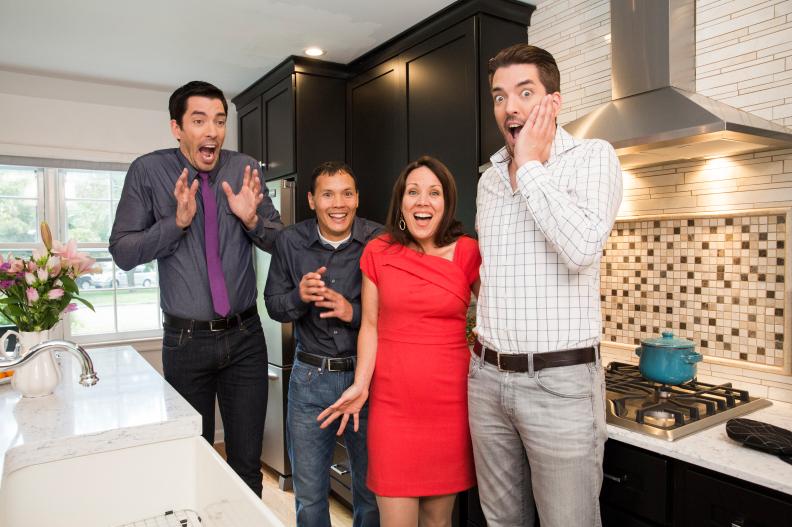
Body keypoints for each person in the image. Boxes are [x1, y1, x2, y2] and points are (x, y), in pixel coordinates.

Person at [470, 43, 623, 526]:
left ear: (553, 101)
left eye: (524, 92)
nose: (509, 107)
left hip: (559, 384)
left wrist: (532, 165)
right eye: (499, 96)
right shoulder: (488, 180)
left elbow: (580, 250)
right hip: (487, 381)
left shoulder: (593, 158)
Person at [109, 80, 283, 496]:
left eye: (220, 121)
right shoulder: (148, 171)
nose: (212, 132)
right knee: (193, 461)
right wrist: (176, 224)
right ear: (176, 127)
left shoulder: (246, 169)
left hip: (245, 338)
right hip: (185, 343)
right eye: (199, 120)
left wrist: (252, 219)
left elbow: (280, 242)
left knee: (247, 466)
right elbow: (122, 250)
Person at [319, 156, 481, 527]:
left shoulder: (469, 252)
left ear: (447, 202)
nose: (423, 201)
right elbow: (370, 325)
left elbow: (499, 318)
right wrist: (361, 384)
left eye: (434, 192)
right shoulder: (379, 251)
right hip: (393, 408)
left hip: (451, 407)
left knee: (438, 523)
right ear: (402, 203)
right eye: (413, 192)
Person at [264, 161, 381, 527]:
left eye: (347, 193)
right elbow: (272, 305)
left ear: (357, 198)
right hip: (310, 382)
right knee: (310, 495)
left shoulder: (380, 241)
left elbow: (396, 311)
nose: (338, 203)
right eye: (328, 194)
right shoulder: (290, 242)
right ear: (312, 200)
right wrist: (299, 296)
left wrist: (352, 310)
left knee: (371, 492)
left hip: (369, 381)